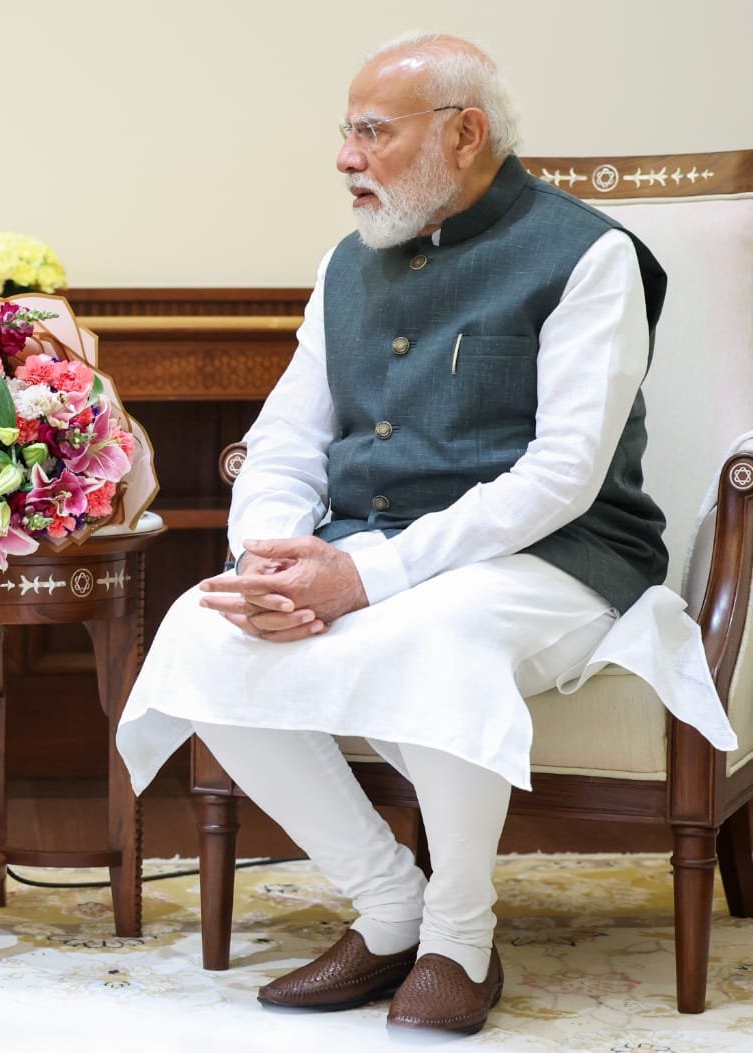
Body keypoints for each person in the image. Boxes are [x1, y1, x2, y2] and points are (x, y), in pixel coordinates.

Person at [115, 31, 737, 1036]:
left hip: (559, 559)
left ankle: (459, 941)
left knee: (436, 635)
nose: (344, 156)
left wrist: (365, 579)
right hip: (369, 549)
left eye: (372, 131)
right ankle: (389, 907)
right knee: (205, 626)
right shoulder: (345, 266)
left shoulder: (590, 256)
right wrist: (267, 555)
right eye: (345, 131)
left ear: (464, 132)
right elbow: (286, 439)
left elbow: (561, 477)